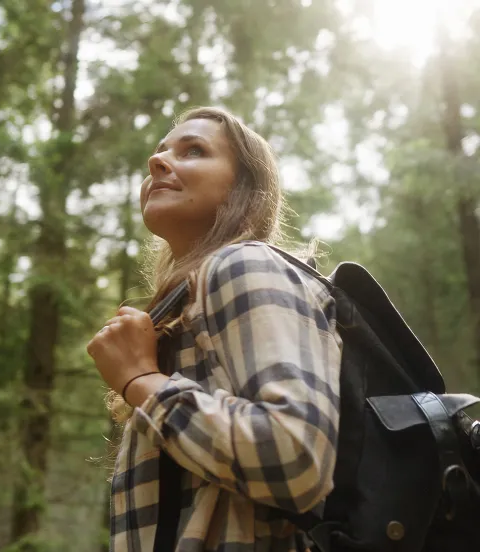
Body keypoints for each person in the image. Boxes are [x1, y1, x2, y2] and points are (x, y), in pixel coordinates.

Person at [86, 106, 342, 551]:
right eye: (161, 151)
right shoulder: (189, 301)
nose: (157, 162)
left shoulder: (243, 262)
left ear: (244, 188)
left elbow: (296, 455)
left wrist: (141, 382)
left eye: (194, 151)